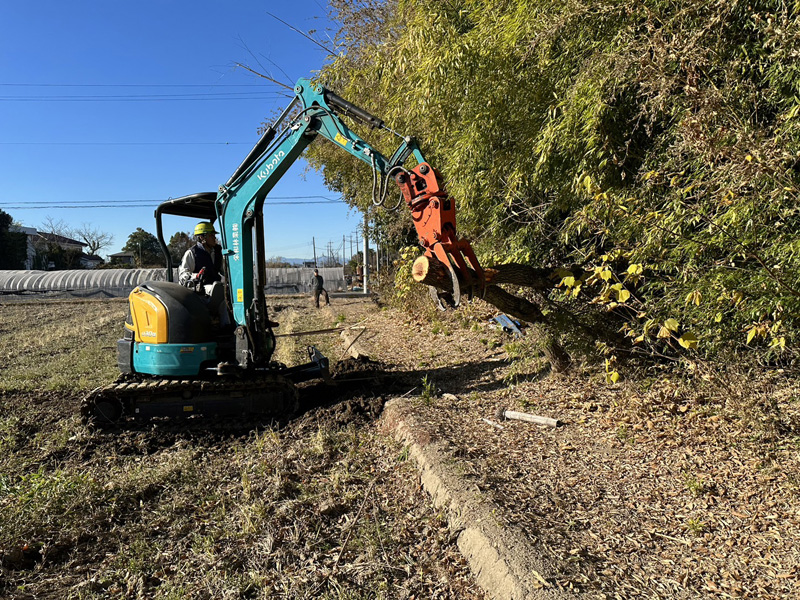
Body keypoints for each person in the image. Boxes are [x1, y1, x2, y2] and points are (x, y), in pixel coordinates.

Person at [179, 222, 230, 327]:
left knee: (226, 295)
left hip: (214, 287)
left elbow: (222, 270)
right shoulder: (192, 253)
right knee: (217, 289)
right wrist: (196, 276)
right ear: (202, 237)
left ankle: (227, 327)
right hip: (199, 290)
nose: (214, 238)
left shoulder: (217, 251)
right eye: (211, 235)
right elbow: (184, 274)